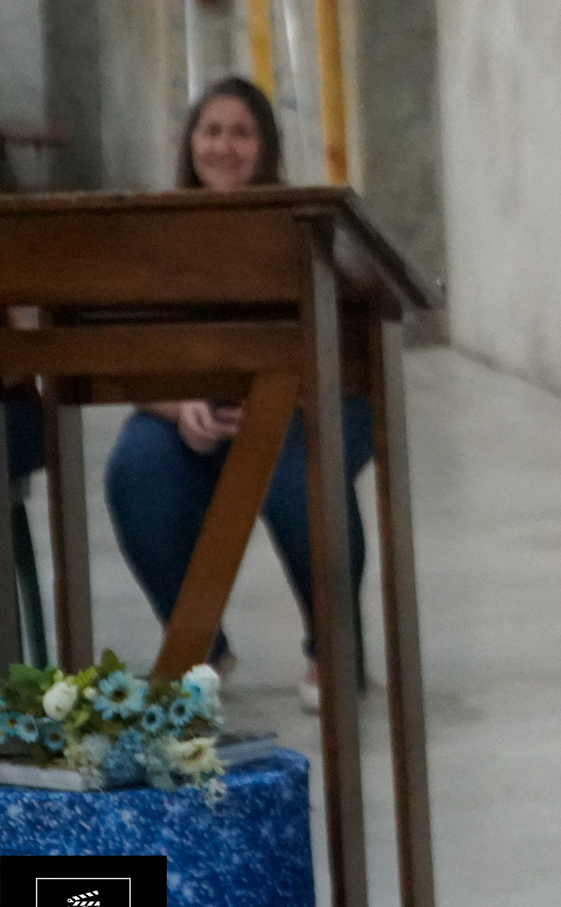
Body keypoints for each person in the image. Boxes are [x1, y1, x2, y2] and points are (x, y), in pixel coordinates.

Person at [102, 77, 370, 713]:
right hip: (199, 409)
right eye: (211, 131)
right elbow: (134, 352)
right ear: (190, 143)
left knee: (297, 481)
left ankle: (330, 646)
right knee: (137, 470)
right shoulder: (161, 229)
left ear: (267, 149)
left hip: (310, 403)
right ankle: (199, 646)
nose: (224, 147)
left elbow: (349, 337)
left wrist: (282, 401)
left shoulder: (303, 225)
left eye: (242, 133)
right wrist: (177, 405)